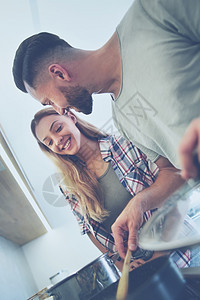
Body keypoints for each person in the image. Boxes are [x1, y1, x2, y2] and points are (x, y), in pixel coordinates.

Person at [12, 0, 200, 258]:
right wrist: (140, 202)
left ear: (59, 73)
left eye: (50, 102)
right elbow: (173, 171)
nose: (60, 110)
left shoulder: (152, 12)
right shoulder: (123, 119)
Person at [30, 107, 200, 270]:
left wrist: (159, 255)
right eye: (49, 142)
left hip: (184, 253)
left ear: (71, 118)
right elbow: (91, 232)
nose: (57, 140)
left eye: (58, 128)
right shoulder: (69, 187)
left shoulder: (125, 142)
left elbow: (176, 190)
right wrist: (125, 268)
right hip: (145, 273)